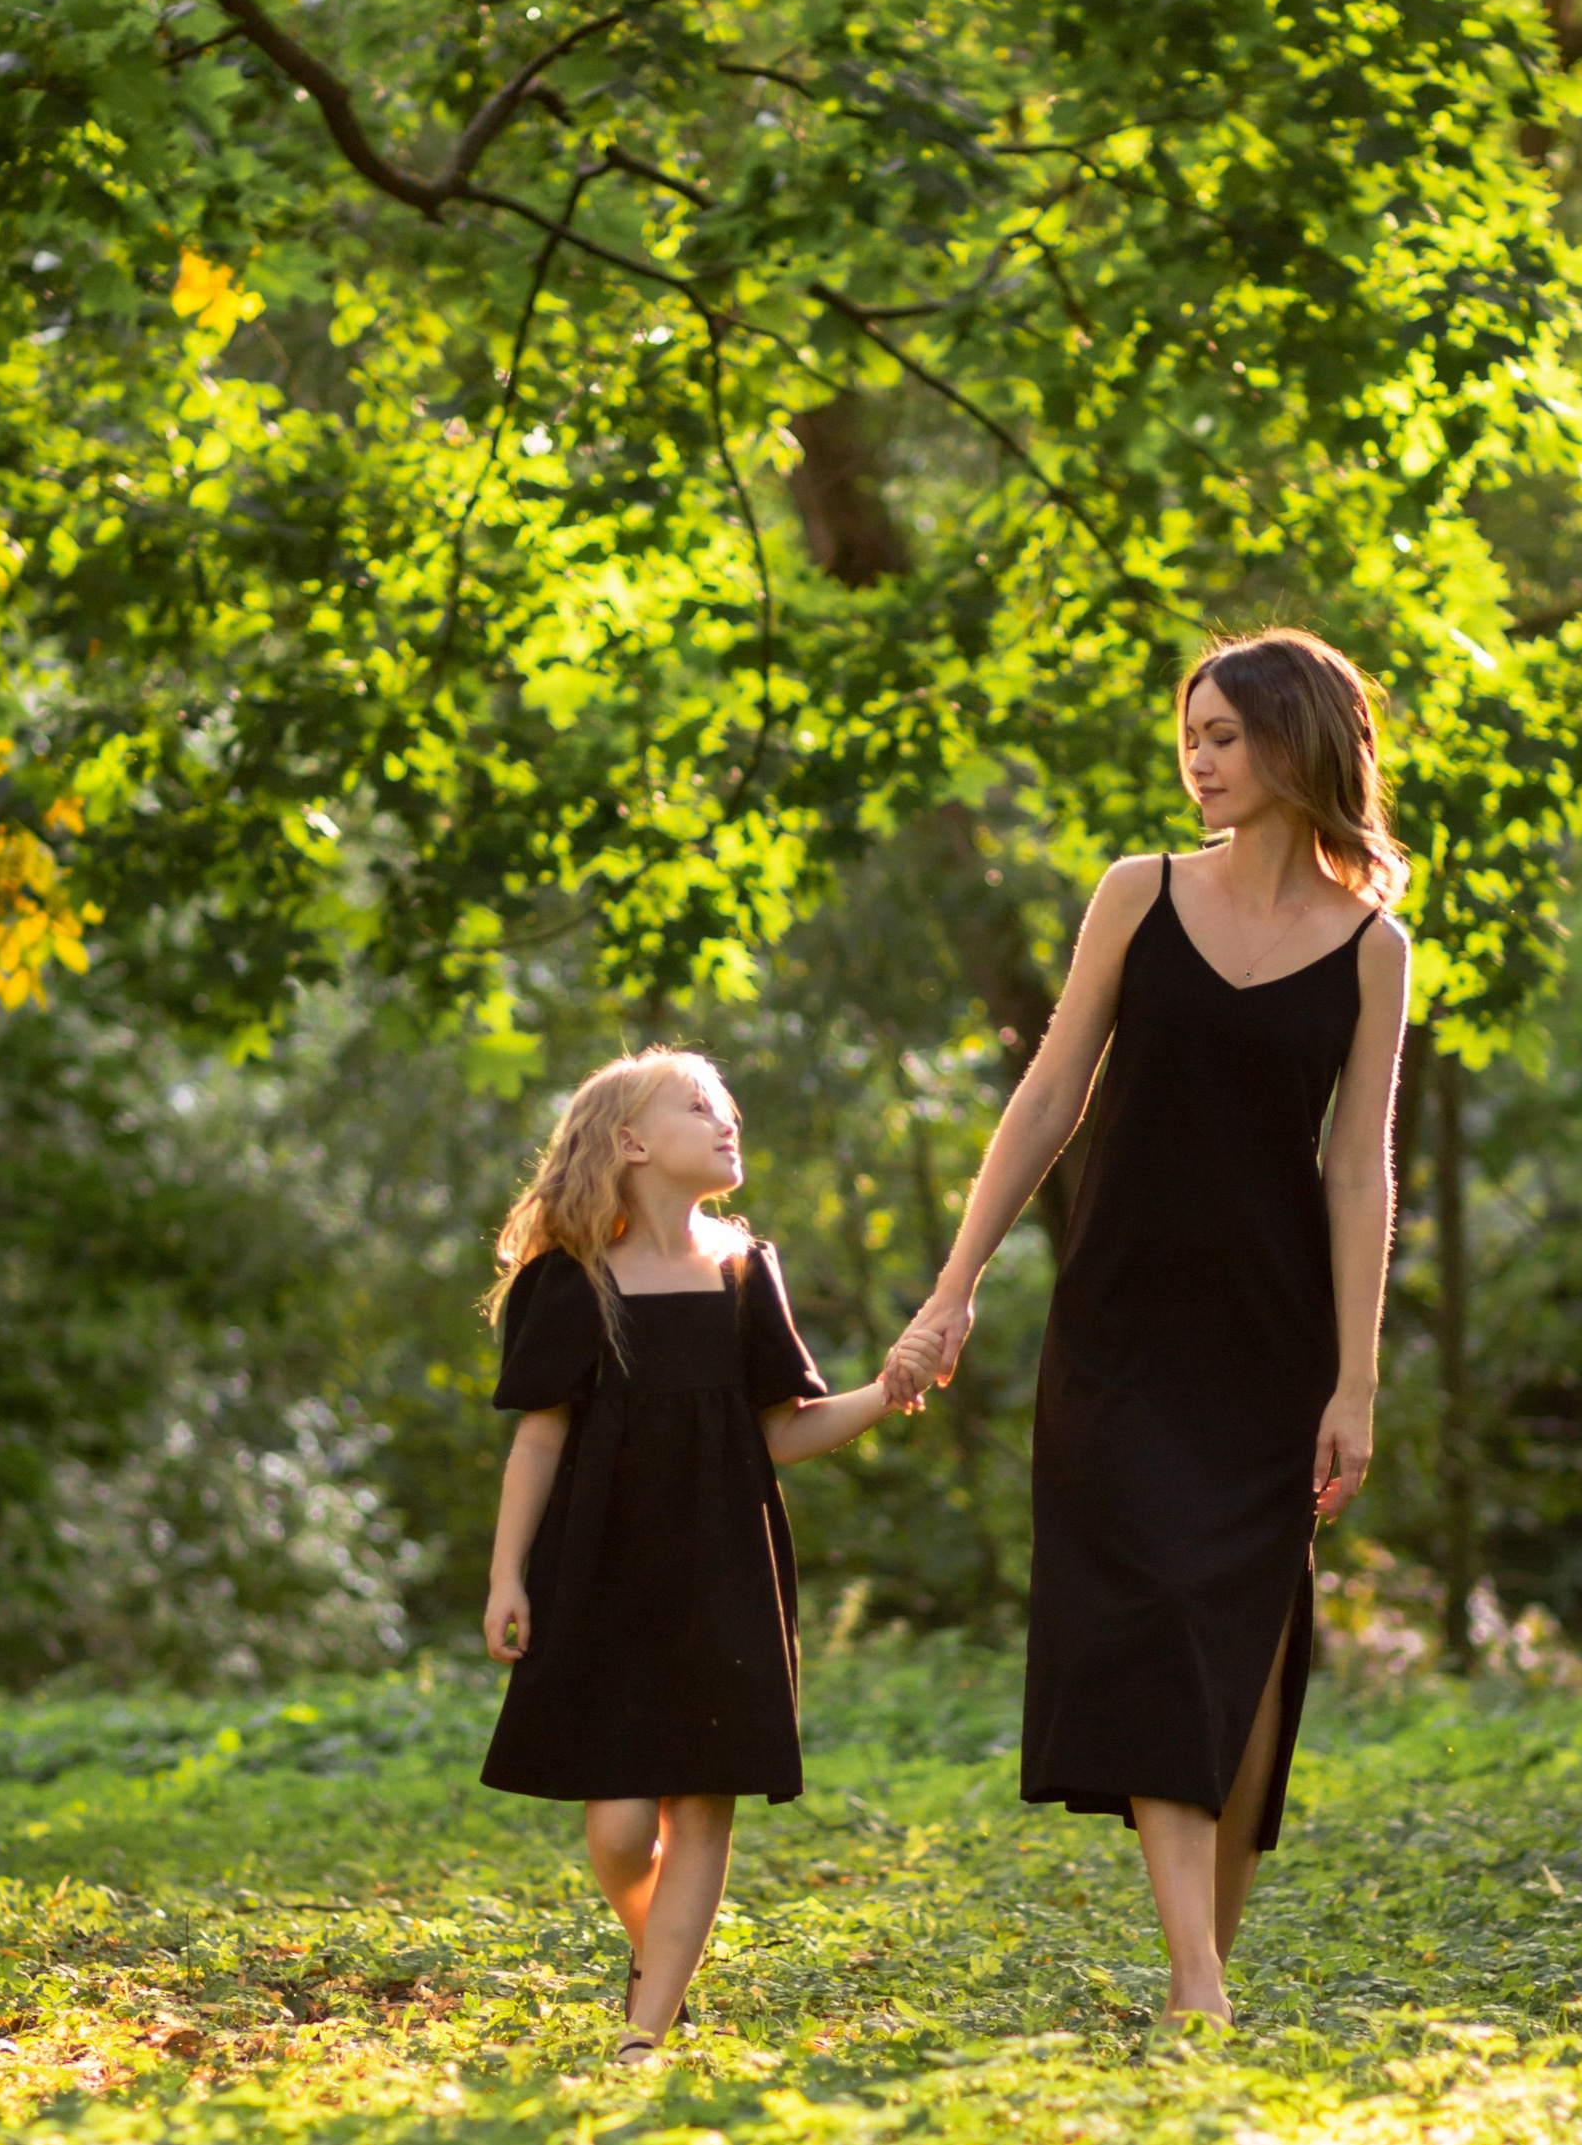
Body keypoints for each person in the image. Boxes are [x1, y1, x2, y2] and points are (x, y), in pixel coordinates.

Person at [884, 630, 1409, 2028]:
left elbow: (1360, 1168)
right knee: (1159, 1623)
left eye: (1226, 735)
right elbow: (1050, 1094)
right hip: (1118, 1328)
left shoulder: (1373, 951)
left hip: (1269, 1343)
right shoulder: (1138, 896)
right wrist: (955, 1286)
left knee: (1239, 1660)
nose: (1199, 759)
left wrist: (1355, 1383)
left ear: (1299, 742)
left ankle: (1206, 1972)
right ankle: (1197, 1988)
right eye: (1192, 736)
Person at [480, 1047, 911, 2060]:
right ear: (630, 1143)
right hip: (598, 1572)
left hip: (724, 1566)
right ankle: (666, 1965)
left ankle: (642, 2037)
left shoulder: (743, 1271)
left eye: (729, 1112)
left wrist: (885, 1391)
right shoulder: (567, 1282)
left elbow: (779, 1433)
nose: (728, 1125)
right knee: (622, 1827)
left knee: (701, 1796)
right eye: (698, 1108)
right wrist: (506, 1575)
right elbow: (539, 1437)